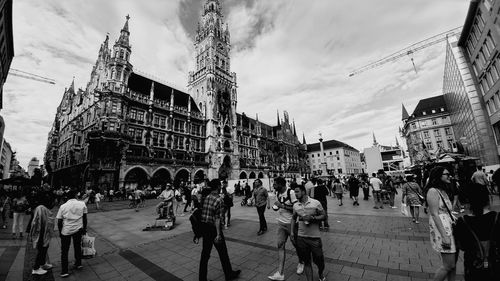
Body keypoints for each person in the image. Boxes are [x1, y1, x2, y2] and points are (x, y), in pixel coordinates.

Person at [454, 184, 500, 280]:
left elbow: (461, 245)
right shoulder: (497, 217)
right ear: (487, 198)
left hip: (472, 266)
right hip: (495, 265)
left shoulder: (462, 221)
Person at [199, 179, 241, 281]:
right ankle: (229, 274)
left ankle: (202, 279)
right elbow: (217, 219)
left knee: (205, 255)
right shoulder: (219, 200)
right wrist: (218, 234)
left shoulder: (207, 197)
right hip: (214, 229)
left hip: (205, 228)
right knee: (223, 253)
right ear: (218, 187)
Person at [426, 166, 457, 281]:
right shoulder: (433, 191)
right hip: (443, 230)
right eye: (447, 174)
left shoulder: (443, 190)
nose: (450, 176)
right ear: (438, 176)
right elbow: (434, 214)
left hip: (449, 227)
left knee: (452, 265)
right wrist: (444, 236)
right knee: (448, 265)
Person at [268, 178, 303, 280]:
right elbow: (279, 205)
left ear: (282, 185)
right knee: (280, 245)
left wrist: (282, 206)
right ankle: (280, 273)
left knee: (296, 245)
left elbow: (297, 209)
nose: (273, 186)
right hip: (281, 223)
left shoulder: (291, 193)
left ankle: (301, 262)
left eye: (275, 184)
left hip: (291, 224)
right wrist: (277, 207)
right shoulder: (277, 193)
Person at [291, 184, 326, 281]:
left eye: (297, 192)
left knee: (319, 260)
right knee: (306, 261)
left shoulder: (315, 203)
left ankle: (320, 272)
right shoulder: (295, 205)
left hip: (315, 238)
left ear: (303, 191)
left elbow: (324, 215)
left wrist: (313, 218)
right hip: (301, 237)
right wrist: (292, 232)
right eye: (295, 192)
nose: (296, 194)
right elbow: (294, 218)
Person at [56, 189, 87, 278]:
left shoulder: (63, 206)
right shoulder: (82, 204)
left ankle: (64, 271)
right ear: (75, 196)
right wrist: (84, 228)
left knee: (64, 251)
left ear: (67, 197)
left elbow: (59, 221)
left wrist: (60, 232)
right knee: (77, 247)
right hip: (78, 229)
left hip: (66, 230)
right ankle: (78, 263)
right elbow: (85, 218)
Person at [30, 192, 55, 275]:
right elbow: (39, 223)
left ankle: (43, 263)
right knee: (41, 250)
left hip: (45, 234)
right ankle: (36, 268)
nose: (53, 203)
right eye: (52, 201)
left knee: (44, 249)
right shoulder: (41, 208)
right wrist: (40, 236)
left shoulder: (43, 208)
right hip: (41, 233)